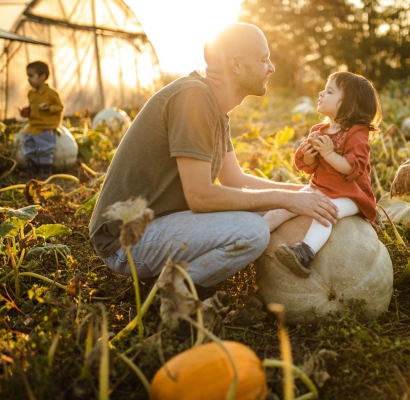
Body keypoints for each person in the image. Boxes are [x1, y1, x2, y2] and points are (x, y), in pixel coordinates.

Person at [88, 23, 339, 288]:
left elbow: (235, 179)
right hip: (127, 241)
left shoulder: (213, 106)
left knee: (264, 212)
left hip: (158, 225)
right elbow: (200, 197)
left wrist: (306, 193)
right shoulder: (193, 98)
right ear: (237, 65)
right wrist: (286, 199)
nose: (271, 67)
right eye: (264, 59)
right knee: (252, 231)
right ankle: (173, 292)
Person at [263, 72, 381, 277]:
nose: (321, 93)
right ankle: (257, 234)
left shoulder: (356, 133)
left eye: (329, 91)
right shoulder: (319, 130)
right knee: (284, 206)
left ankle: (306, 252)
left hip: (350, 195)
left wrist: (328, 153)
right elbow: (308, 168)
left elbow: (354, 168)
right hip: (321, 189)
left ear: (350, 105)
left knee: (327, 211)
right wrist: (309, 158)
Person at [19, 61, 64, 179]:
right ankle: (33, 167)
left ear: (42, 77)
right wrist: (26, 112)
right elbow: (33, 108)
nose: (28, 79)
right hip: (34, 127)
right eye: (27, 76)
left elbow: (60, 107)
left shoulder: (51, 93)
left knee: (44, 149)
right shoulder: (31, 93)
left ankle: (45, 170)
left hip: (46, 127)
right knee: (30, 148)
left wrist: (49, 108)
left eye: (31, 76)